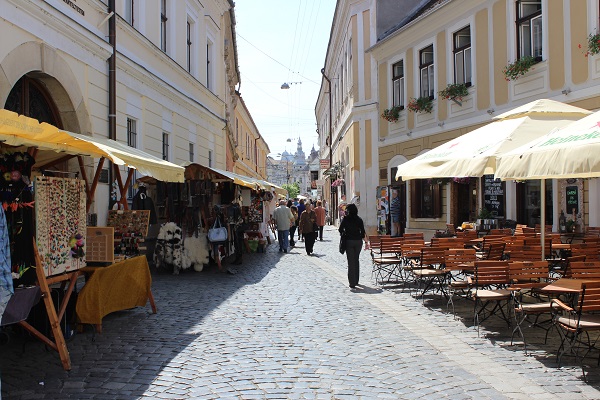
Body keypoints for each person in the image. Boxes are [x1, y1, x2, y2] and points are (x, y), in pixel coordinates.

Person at [338, 203, 366, 289]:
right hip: (358, 242)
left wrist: (345, 233)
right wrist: (359, 237)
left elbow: (340, 229)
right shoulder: (359, 219)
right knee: (356, 260)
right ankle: (356, 280)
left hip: (349, 241)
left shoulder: (346, 219)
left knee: (351, 262)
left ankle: (352, 282)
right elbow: (363, 231)